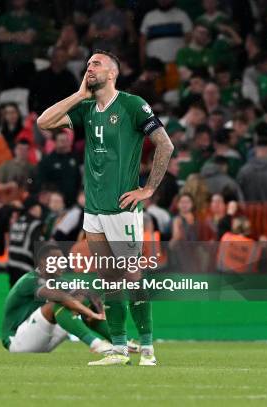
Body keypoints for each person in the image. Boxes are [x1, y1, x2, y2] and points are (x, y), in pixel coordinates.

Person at [37, 50, 174, 366]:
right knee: (109, 278)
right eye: (87, 64)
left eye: (96, 64)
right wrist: (79, 94)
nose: (89, 67)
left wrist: (149, 189)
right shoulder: (86, 108)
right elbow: (44, 122)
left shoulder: (132, 104)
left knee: (132, 276)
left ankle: (148, 347)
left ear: (113, 72)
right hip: (94, 209)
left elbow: (165, 144)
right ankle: (119, 348)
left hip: (122, 208)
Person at [2, 243, 113, 354]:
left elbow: (88, 293)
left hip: (41, 339)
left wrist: (97, 309)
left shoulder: (56, 280)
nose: (62, 264)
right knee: (58, 305)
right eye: (57, 260)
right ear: (43, 262)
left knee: (83, 301)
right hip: (17, 341)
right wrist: (90, 313)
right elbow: (63, 299)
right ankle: (96, 344)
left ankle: (120, 342)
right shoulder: (30, 280)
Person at [7, 197, 44, 287]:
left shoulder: (17, 222)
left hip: (12, 266)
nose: (41, 210)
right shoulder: (35, 224)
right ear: (33, 208)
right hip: (25, 267)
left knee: (15, 298)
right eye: (39, 207)